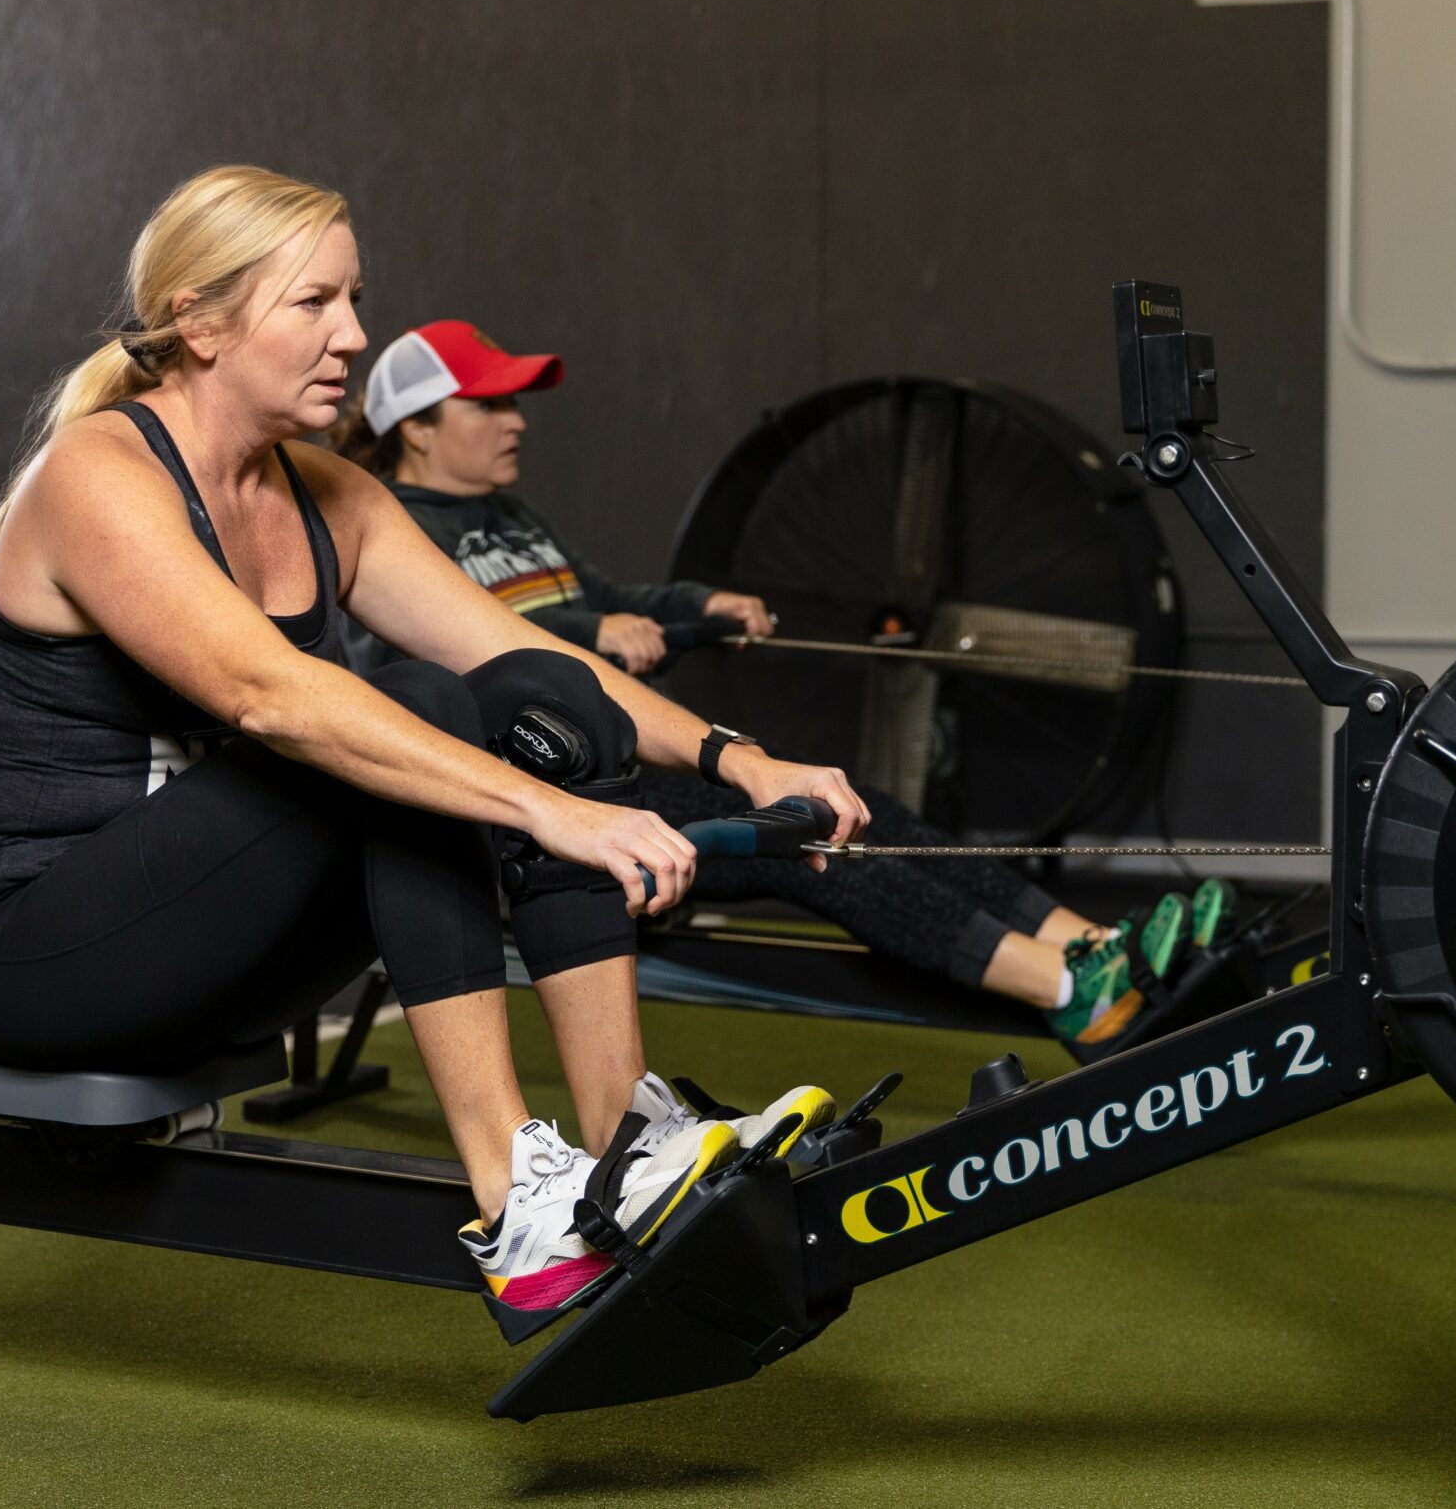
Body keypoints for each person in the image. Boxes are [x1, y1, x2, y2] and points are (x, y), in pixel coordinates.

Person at [0, 166, 873, 1325]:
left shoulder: (328, 494)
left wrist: (738, 757)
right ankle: (515, 1199)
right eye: (314, 302)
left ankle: (629, 1138)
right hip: (35, 952)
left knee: (542, 697)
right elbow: (272, 697)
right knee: (413, 704)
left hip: (216, 945)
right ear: (200, 322)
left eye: (355, 299)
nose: (353, 334)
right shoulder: (98, 474)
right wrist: (546, 810)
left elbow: (532, 654)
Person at [333, 320, 1227, 1054]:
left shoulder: (510, 516)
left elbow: (611, 602)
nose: (516, 421)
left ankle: (1092, 942)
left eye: (514, 402)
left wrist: (700, 606)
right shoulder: (393, 529)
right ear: (418, 427)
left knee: (854, 804)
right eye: (488, 404)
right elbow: (430, 668)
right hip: (546, 808)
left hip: (622, 766)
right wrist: (585, 635)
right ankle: (1068, 989)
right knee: (807, 841)